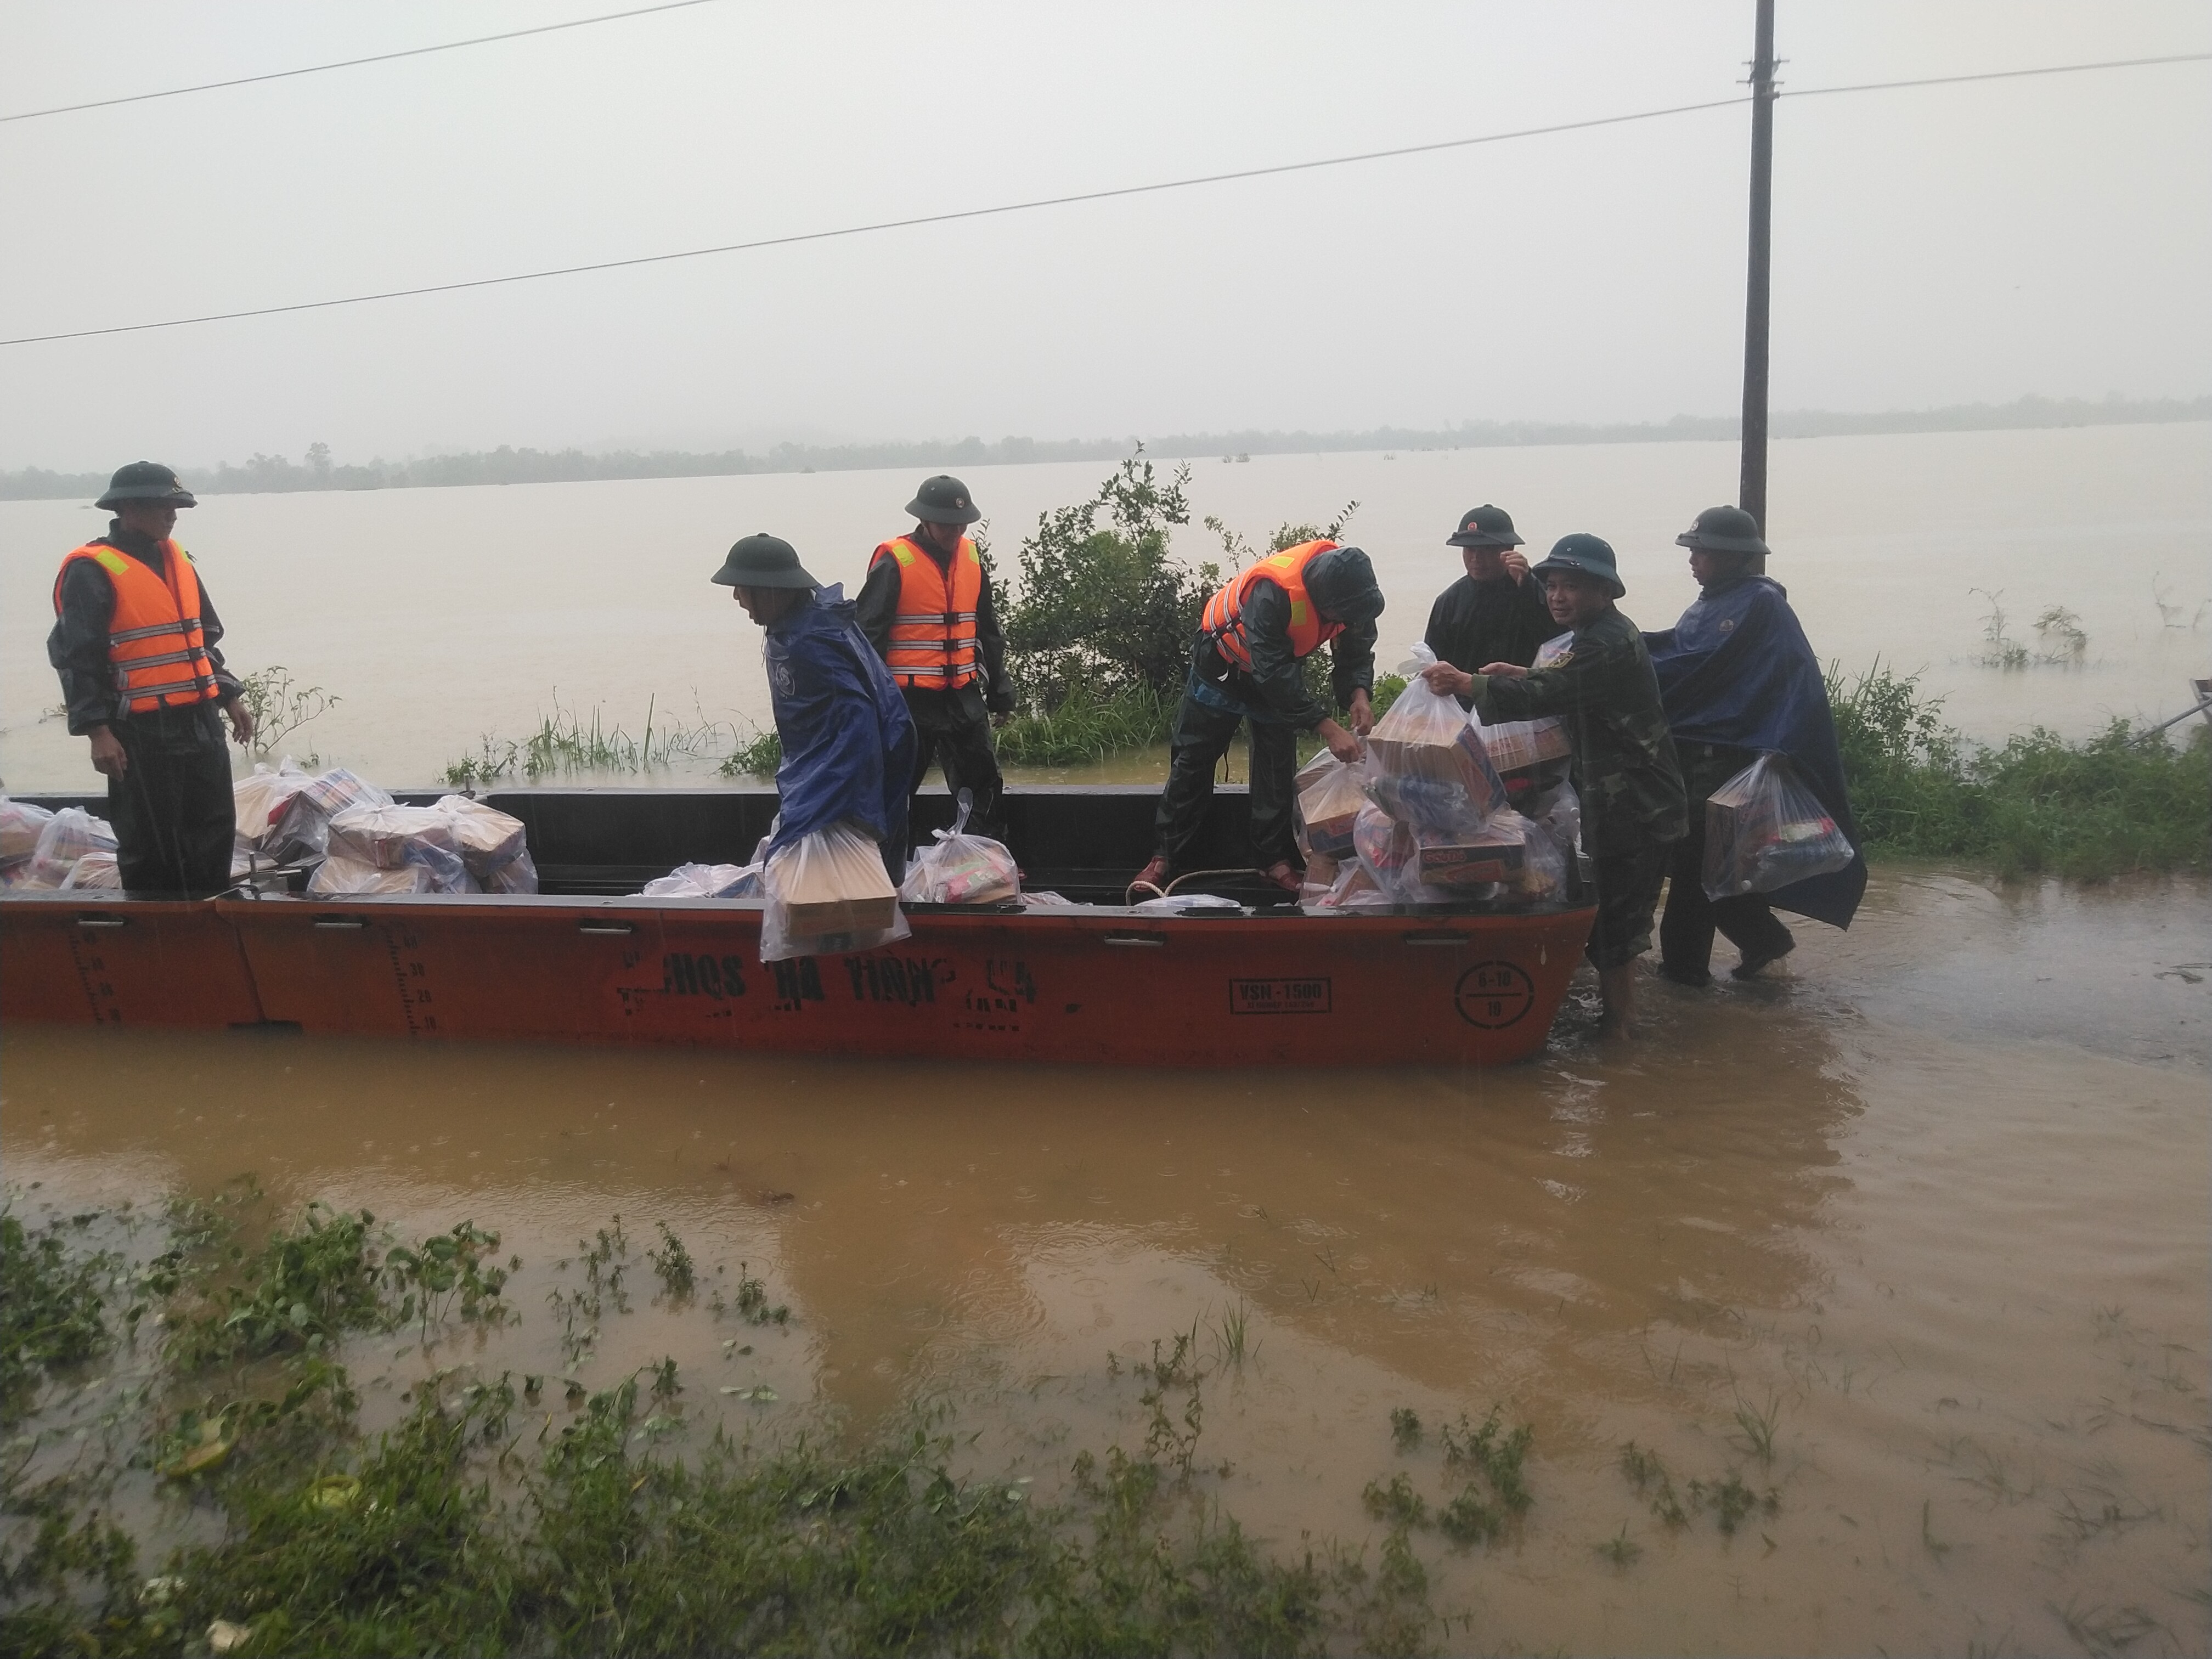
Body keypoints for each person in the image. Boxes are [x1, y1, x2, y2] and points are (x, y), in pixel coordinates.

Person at [1420, 534, 1685, 1036]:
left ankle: (1620, 1029)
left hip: (1638, 804)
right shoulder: (1594, 635)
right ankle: (1618, 1018)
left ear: (1605, 590)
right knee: (1610, 915)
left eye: (1573, 586)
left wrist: (1467, 684)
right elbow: (1564, 683)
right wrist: (1519, 672)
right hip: (1620, 800)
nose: (1557, 597)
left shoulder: (1606, 642)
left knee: (1619, 924)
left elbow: (1555, 688)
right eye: (1553, 586)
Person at [1645, 505, 1866, 985]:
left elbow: (1795, 679)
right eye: (1692, 549)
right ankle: (1764, 940)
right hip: (1691, 759)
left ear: (1731, 556)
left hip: (1732, 765)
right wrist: (1626, 646)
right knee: (1712, 865)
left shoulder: (1762, 606)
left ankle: (1684, 976)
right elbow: (1683, 658)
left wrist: (1780, 746)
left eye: (1701, 550)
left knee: (1694, 867)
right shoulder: (1705, 606)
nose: (1693, 559)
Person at [47, 462, 255, 898]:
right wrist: (98, 732)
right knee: (152, 844)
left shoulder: (176, 559)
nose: (173, 514)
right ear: (128, 508)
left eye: (177, 505)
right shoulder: (92, 569)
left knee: (214, 829)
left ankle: (208, 929)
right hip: (140, 732)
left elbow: (201, 639)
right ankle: (157, 940)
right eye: (164, 505)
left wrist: (228, 695)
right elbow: (76, 657)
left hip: (199, 721)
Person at [1133, 539, 1383, 896]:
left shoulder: (1356, 595)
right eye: (1341, 616)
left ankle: (1273, 860)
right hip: (1222, 667)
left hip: (1275, 672)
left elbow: (1357, 650)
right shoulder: (1272, 594)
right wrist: (1326, 728)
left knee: (1277, 769)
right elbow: (1274, 674)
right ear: (1322, 602)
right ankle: (1165, 856)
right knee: (1193, 761)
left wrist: (1359, 694)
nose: (1348, 621)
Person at [713, 533, 916, 877]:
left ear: (772, 589)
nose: (736, 597)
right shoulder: (797, 623)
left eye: (743, 587)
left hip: (859, 776)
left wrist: (818, 809)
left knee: (848, 887)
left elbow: (856, 731)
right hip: (834, 767)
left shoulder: (812, 642)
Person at [855, 475, 1015, 847]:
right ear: (925, 521)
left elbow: (988, 628)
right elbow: (868, 637)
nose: (956, 531)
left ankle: (987, 857)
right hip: (908, 701)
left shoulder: (972, 557)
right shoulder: (895, 562)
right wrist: (868, 703)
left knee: (983, 782)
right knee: (895, 787)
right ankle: (885, 865)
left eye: (961, 524)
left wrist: (1001, 692)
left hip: (962, 694)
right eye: (946, 523)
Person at [1424, 503, 1556, 698]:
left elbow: (1557, 642)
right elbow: (1433, 661)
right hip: (1463, 708)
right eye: (1469, 550)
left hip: (1523, 705)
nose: (1476, 559)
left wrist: (1528, 588)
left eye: (1486, 549)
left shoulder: (1537, 592)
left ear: (1508, 550)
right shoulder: (1449, 601)